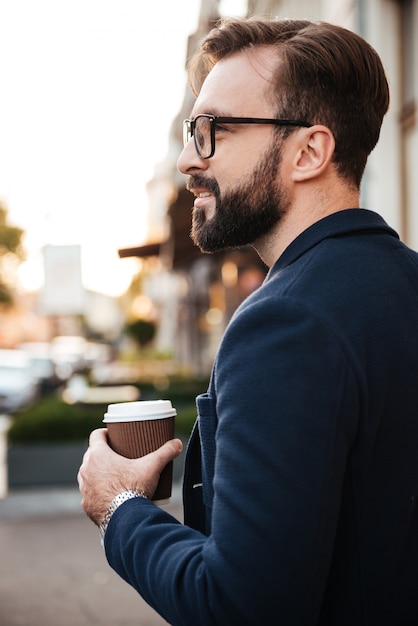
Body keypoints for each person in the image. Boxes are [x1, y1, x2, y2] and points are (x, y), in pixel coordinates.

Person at [78, 17, 418, 625]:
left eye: (213, 130)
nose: (188, 159)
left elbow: (240, 606)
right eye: (190, 130)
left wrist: (120, 508)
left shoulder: (285, 322)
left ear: (309, 152)